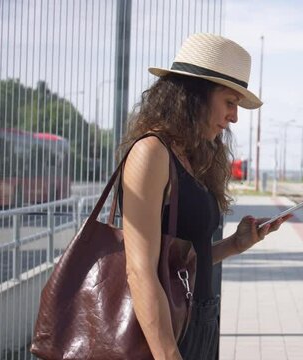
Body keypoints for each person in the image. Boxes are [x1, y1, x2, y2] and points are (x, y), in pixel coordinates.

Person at [118, 33, 289, 360]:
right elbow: (139, 271)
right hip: (163, 332)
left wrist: (236, 245)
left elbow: (181, 263)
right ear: (194, 95)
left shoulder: (191, 158)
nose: (235, 116)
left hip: (198, 319)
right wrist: (168, 354)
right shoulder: (152, 154)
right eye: (230, 101)